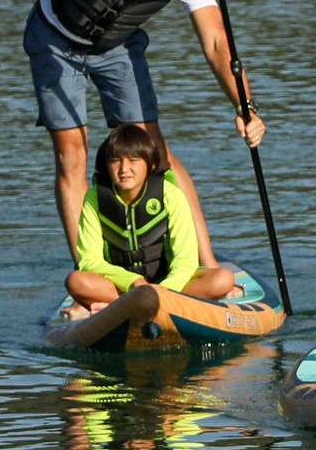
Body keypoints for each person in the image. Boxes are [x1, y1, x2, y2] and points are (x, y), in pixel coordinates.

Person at [23, 0, 265, 264]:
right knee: (72, 154)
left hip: (115, 47)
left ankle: (205, 265)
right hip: (56, 38)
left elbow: (216, 44)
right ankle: (92, 276)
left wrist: (246, 108)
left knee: (156, 152)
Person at [63, 124, 237, 318]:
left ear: (151, 165)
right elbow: (89, 260)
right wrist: (133, 281)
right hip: (123, 287)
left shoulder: (171, 195)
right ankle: (138, 304)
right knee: (76, 281)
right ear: (106, 165)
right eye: (115, 161)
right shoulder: (95, 198)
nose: (124, 169)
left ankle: (121, 307)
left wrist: (162, 292)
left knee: (222, 279)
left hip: (170, 286)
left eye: (133, 160)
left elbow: (185, 260)